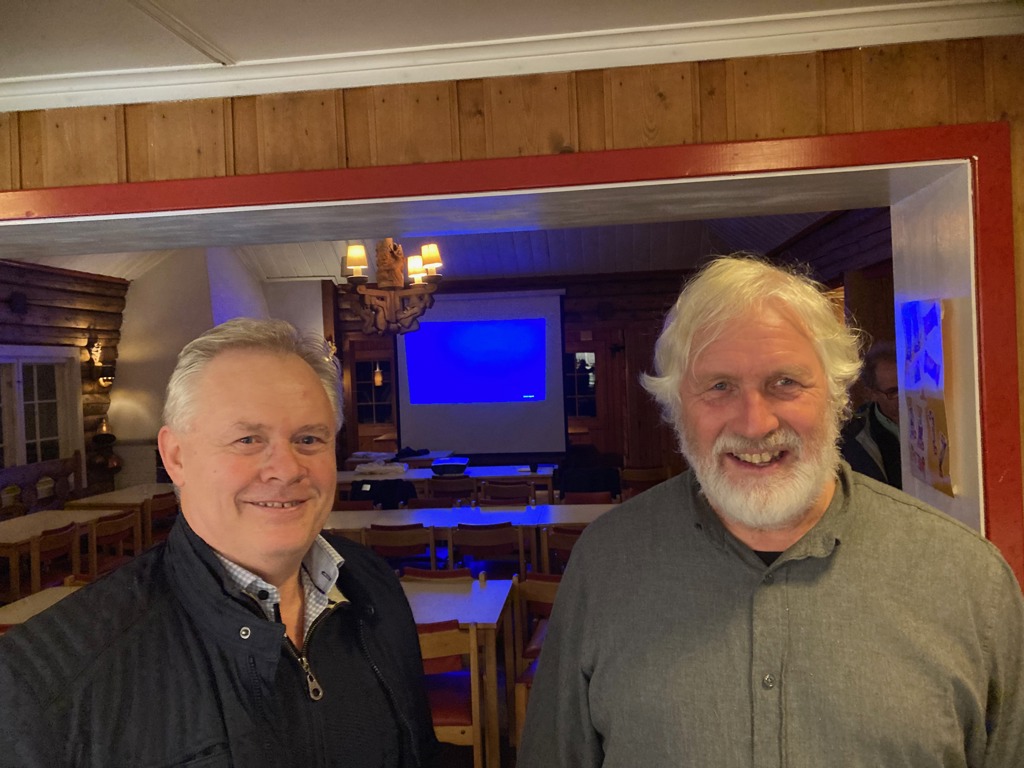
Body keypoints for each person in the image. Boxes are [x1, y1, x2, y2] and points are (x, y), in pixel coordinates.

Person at [518, 256, 1024, 767]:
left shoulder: (968, 580)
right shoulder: (606, 565)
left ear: (837, 394)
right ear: (676, 407)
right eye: (719, 386)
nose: (755, 424)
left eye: (785, 382)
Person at [0, 318, 439, 768]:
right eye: (247, 439)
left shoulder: (374, 588)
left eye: (309, 439)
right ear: (175, 457)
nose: (287, 469)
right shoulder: (46, 684)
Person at [841, 340, 903, 488]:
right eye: (893, 392)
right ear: (872, 394)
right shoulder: (852, 438)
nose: (904, 397)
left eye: (907, 387)